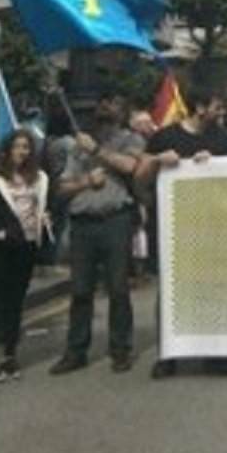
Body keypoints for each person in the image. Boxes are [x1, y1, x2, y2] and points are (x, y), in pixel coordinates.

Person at [50, 96, 145, 374]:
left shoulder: (130, 139)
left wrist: (98, 151)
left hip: (115, 219)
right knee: (80, 291)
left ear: (123, 111)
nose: (105, 106)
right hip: (83, 224)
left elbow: (130, 166)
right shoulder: (80, 143)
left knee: (118, 288)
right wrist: (85, 181)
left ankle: (120, 349)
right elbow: (62, 188)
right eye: (101, 102)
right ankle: (76, 351)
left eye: (112, 103)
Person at [0, 130, 50, 384]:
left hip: (25, 247)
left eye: (26, 147)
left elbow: (42, 207)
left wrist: (44, 220)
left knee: (14, 303)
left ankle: (9, 356)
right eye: (17, 147)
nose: (22, 152)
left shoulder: (39, 179)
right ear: (7, 150)